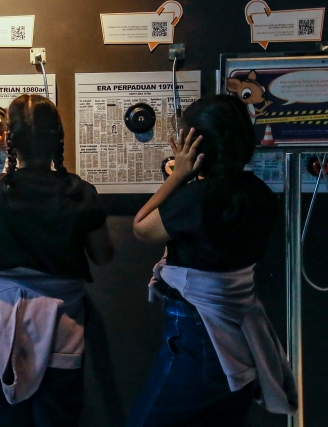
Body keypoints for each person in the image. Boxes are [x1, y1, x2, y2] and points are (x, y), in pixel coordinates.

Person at [127, 95, 297, 427]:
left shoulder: (196, 198)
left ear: (195, 146)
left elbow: (142, 229)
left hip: (195, 333)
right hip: (239, 333)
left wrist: (178, 175)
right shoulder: (259, 192)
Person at [0, 94, 114, 427]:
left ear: (10, 140)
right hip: (62, 328)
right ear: (58, 138)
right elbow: (103, 255)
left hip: (2, 323)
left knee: (4, 418)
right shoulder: (79, 191)